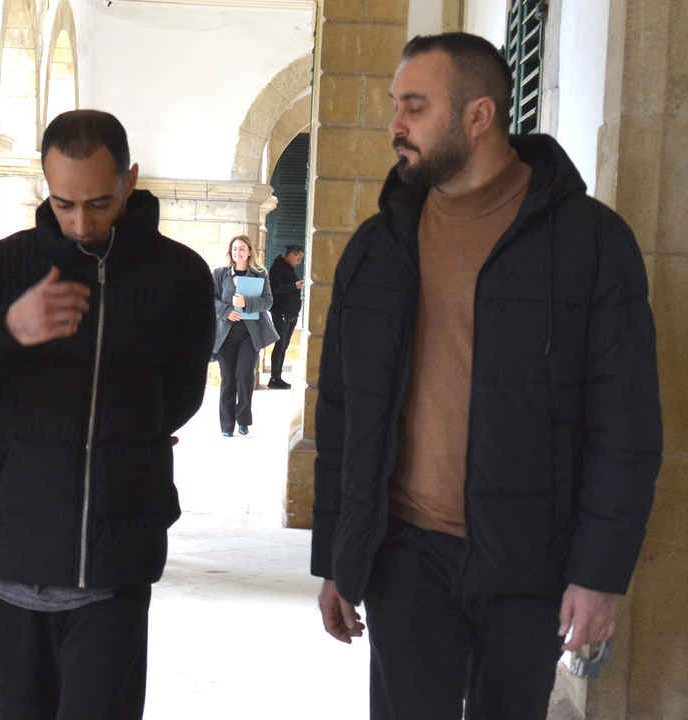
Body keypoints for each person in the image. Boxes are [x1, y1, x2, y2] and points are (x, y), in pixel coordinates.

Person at [311, 33, 662, 720]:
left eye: (415, 107)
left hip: (529, 561)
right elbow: (343, 415)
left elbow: (626, 426)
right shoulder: (377, 248)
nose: (396, 125)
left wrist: (599, 575)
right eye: (395, 105)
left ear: (479, 116)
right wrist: (337, 559)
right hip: (405, 555)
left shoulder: (590, 243)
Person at [0, 109, 215, 720]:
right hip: (7, 560)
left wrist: (122, 438)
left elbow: (180, 398)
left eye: (99, 203)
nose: (81, 223)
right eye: (64, 204)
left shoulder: (179, 276)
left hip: (115, 561)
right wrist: (6, 330)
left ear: (129, 179)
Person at [212, 235, 279, 436]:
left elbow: (268, 301)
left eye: (242, 248)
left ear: (249, 252)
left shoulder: (260, 274)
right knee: (228, 380)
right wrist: (226, 311)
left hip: (250, 334)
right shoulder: (220, 274)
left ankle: (243, 420)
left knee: (244, 376)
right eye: (234, 249)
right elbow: (209, 299)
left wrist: (246, 303)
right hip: (226, 334)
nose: (238, 252)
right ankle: (226, 425)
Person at [266, 244, 304, 389]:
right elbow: (275, 288)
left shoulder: (289, 268)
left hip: (291, 313)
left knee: (284, 344)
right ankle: (274, 378)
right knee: (280, 344)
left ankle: (278, 376)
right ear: (291, 255)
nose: (299, 262)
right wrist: (294, 286)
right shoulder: (278, 268)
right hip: (281, 312)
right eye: (298, 259)